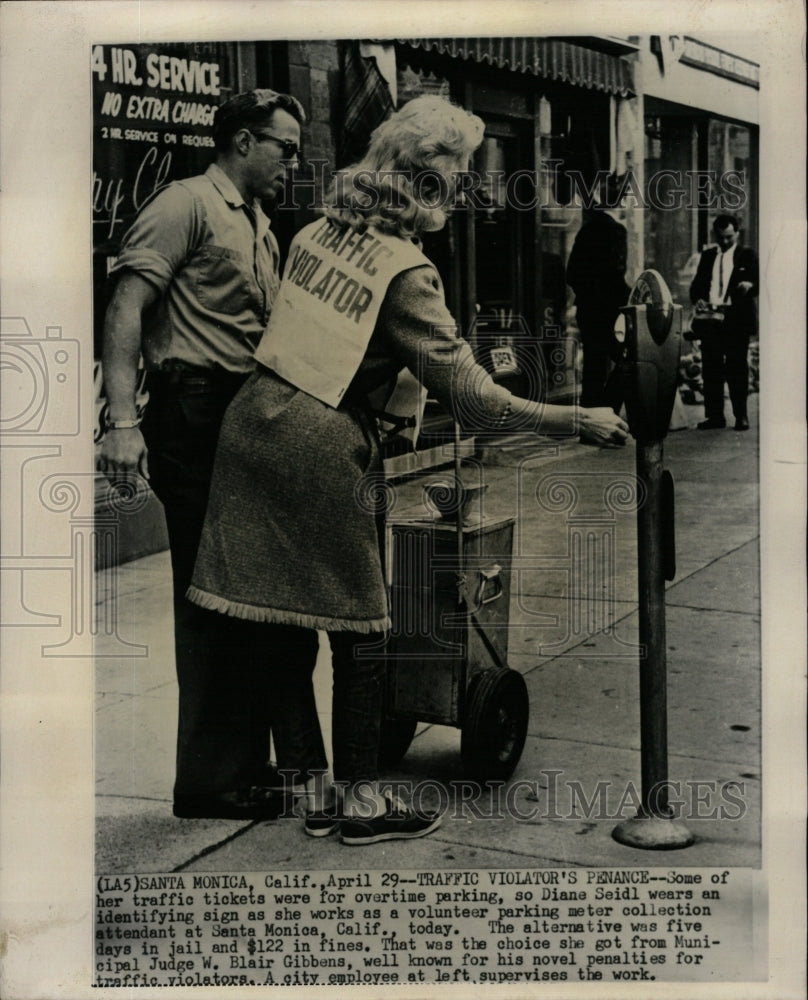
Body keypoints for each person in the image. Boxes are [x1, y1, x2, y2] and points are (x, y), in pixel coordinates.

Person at [187, 95, 630, 845]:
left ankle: (313, 791)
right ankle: (361, 806)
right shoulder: (407, 272)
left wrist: (390, 399)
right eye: (460, 177)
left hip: (250, 428)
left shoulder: (318, 230)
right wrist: (574, 420)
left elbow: (333, 337)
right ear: (424, 182)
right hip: (319, 446)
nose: (469, 193)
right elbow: (476, 398)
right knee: (362, 632)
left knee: (279, 626)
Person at [97, 89, 322, 820]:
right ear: (243, 142)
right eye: (286, 147)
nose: (295, 162)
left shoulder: (259, 224)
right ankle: (209, 782)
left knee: (243, 588)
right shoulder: (185, 203)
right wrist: (121, 422)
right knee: (208, 592)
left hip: (241, 414)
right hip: (191, 411)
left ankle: (244, 769)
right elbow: (127, 307)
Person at [689, 214, 759, 430]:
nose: (725, 242)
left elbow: (760, 282)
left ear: (737, 233)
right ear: (715, 235)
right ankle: (715, 416)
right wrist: (699, 299)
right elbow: (697, 286)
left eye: (729, 237)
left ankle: (741, 416)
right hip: (712, 319)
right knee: (711, 369)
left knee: (737, 368)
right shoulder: (708, 255)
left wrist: (750, 286)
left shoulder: (747, 255)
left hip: (736, 319)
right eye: (721, 238)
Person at [566, 196, 631, 409]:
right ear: (619, 204)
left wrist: (586, 296)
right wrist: (629, 297)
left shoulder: (586, 231)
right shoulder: (617, 231)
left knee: (593, 366)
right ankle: (609, 410)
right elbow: (616, 272)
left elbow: (572, 273)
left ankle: (590, 417)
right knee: (628, 359)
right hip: (611, 309)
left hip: (588, 309)